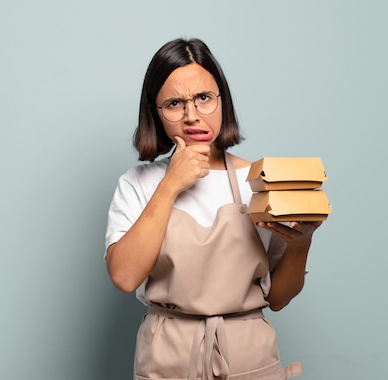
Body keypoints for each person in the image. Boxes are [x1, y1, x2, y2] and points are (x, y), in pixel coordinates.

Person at [104, 37, 322, 380]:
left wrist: (301, 245)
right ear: (155, 113)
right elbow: (125, 276)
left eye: (204, 98)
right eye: (175, 103)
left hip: (248, 355)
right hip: (168, 356)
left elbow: (278, 298)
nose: (192, 116)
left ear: (223, 101)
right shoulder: (138, 184)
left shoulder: (258, 181)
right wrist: (170, 185)